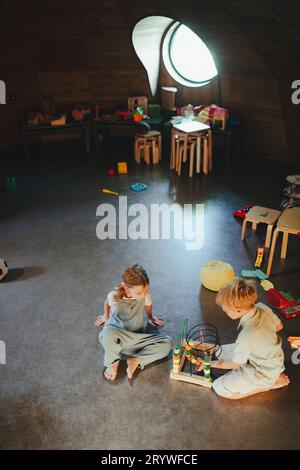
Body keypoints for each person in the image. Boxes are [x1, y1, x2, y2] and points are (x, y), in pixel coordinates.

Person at [211, 277, 289, 399]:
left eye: (226, 310)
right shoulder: (262, 307)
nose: (224, 310)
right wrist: (262, 338)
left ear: (238, 309)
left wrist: (211, 364)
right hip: (274, 360)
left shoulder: (247, 336)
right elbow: (279, 326)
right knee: (221, 352)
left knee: (219, 388)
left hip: (264, 373)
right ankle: (272, 375)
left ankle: (268, 385)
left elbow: (236, 364)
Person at [95, 264, 172, 382]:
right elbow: (107, 302)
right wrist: (106, 317)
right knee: (107, 333)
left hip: (135, 340)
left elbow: (148, 304)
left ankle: (135, 360)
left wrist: (150, 318)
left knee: (168, 343)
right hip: (115, 339)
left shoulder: (144, 295)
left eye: (146, 290)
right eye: (140, 292)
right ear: (125, 287)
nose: (144, 294)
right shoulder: (115, 295)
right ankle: (113, 364)